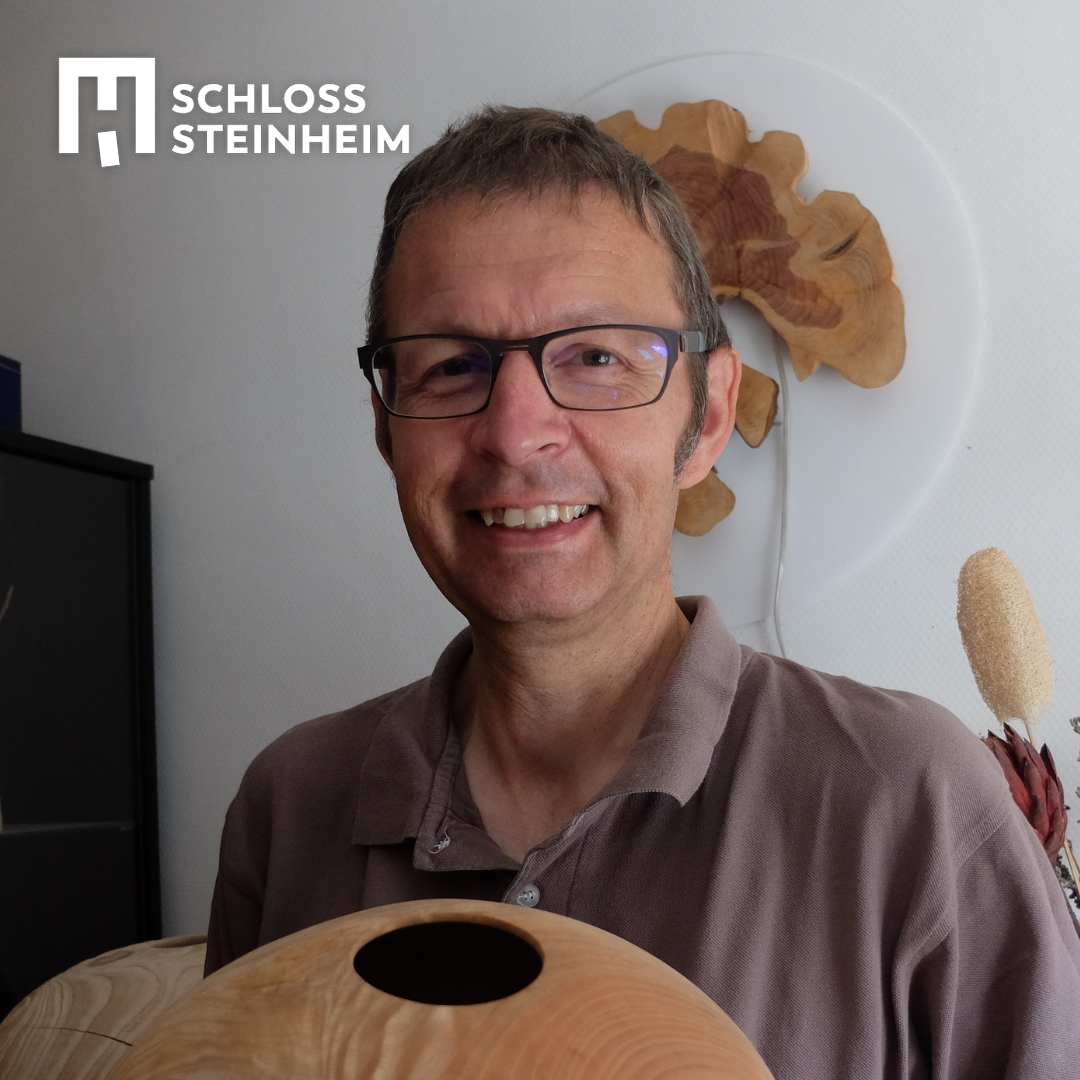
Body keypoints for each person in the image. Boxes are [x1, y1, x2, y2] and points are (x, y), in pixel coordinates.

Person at [204, 105, 1080, 1077]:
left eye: (595, 357)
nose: (515, 434)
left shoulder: (913, 806)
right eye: (452, 366)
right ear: (385, 428)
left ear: (706, 417)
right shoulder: (288, 811)